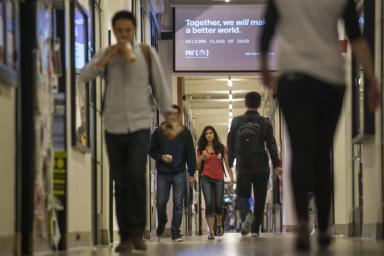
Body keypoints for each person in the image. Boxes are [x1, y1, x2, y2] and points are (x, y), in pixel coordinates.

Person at [260, 0, 380, 251]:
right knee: (322, 153)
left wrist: (264, 69)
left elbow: (267, 32)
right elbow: (355, 36)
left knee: (302, 152)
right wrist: (371, 78)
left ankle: (303, 225)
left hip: (294, 78)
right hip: (331, 79)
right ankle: (324, 227)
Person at [78, 10, 171, 253]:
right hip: (113, 125)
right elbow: (85, 75)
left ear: (134, 31)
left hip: (140, 124)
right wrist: (105, 58)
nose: (123, 35)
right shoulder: (106, 55)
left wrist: (168, 117)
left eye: (128, 31)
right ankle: (126, 236)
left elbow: (160, 87)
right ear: (115, 31)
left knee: (135, 175)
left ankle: (138, 232)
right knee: (120, 181)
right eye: (119, 31)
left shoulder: (146, 54)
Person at [227, 92, 281, 237]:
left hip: (243, 166)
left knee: (242, 196)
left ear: (245, 103)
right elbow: (271, 144)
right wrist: (277, 164)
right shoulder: (265, 122)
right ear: (259, 104)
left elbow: (231, 142)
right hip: (261, 166)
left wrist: (230, 160)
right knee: (260, 198)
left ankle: (247, 216)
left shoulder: (237, 121)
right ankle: (255, 229)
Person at [149, 104, 196, 242]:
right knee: (161, 202)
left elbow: (190, 154)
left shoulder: (185, 132)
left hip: (179, 172)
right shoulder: (158, 132)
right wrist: (161, 157)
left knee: (178, 204)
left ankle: (175, 232)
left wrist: (192, 173)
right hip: (163, 172)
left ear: (179, 116)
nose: (173, 116)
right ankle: (162, 221)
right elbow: (151, 150)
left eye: (176, 114)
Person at [196, 126, 235, 240]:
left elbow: (227, 164)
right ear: (204, 135)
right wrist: (201, 158)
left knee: (218, 204)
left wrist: (231, 178)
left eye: (211, 133)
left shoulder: (222, 148)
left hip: (219, 178)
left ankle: (219, 224)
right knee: (209, 204)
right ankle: (211, 231)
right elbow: (197, 167)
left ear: (214, 134)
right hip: (205, 178)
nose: (209, 135)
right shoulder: (200, 149)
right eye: (206, 133)